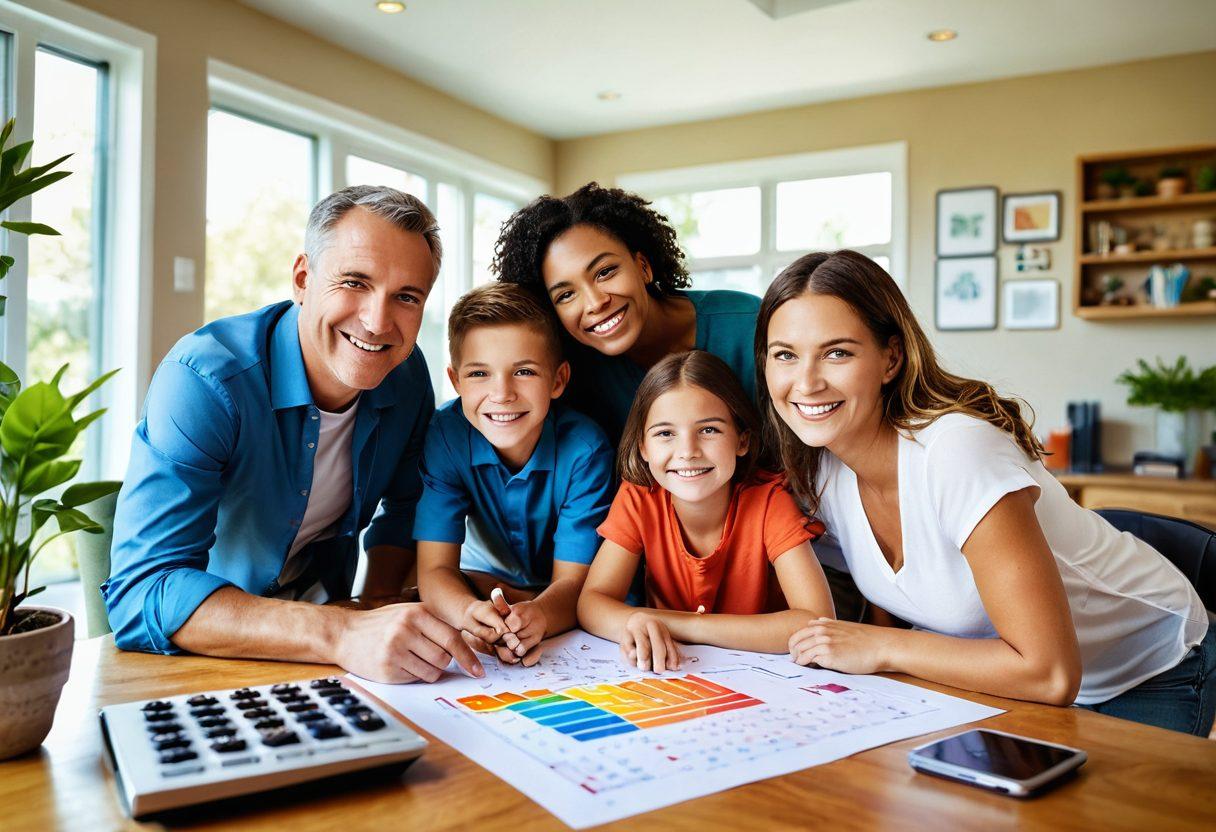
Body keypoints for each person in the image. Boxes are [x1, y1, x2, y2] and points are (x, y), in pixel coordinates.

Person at [758, 249, 1213, 735]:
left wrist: (881, 647)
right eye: (785, 354)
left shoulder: (958, 452)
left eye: (837, 353)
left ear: (891, 358)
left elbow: (1051, 674)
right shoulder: (821, 471)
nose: (806, 382)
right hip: (1006, 675)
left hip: (1147, 665)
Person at [103, 185, 483, 684]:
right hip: (211, 650)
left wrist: (377, 608)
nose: (377, 322)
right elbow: (141, 592)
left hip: (334, 650)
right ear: (303, 279)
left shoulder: (406, 375)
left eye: (406, 297)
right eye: (354, 282)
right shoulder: (204, 379)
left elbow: (406, 507)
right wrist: (343, 633)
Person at [577, 350, 835, 672]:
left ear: (742, 441)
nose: (688, 452)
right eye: (665, 434)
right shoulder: (639, 497)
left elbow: (816, 621)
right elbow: (592, 603)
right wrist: (639, 624)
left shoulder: (769, 501)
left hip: (761, 675)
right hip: (674, 676)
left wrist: (682, 625)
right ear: (643, 447)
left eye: (709, 430)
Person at [415, 283, 614, 667]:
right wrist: (467, 612)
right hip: (482, 585)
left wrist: (537, 616)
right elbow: (435, 570)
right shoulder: (446, 435)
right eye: (479, 373)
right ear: (456, 382)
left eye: (523, 371)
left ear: (558, 380)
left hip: (561, 602)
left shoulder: (585, 450)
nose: (502, 393)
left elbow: (575, 584)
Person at [492, 182, 760, 447]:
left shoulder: (749, 325)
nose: (595, 303)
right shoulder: (570, 372)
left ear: (643, 267)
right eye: (566, 295)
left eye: (605, 272)